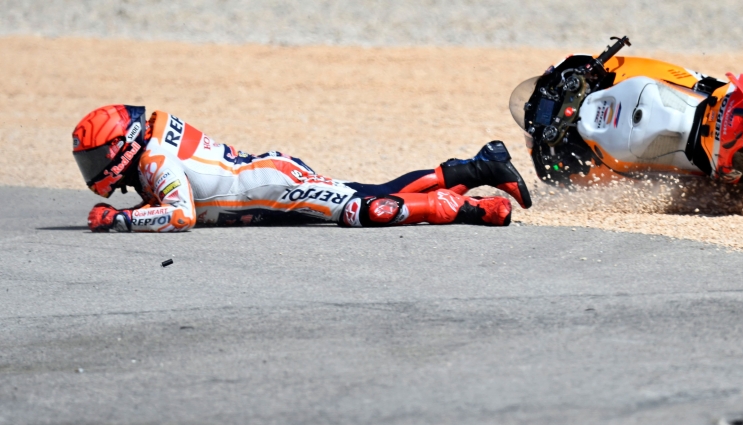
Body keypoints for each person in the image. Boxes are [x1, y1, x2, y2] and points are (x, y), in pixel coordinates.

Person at [72, 105, 532, 232]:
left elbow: (180, 216)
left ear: (124, 146)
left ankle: (473, 209)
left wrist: (121, 220)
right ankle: (475, 167)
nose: (95, 171)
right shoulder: (154, 145)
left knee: (369, 210)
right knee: (369, 191)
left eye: (97, 158)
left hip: (275, 187)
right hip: (269, 181)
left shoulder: (154, 160)